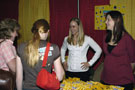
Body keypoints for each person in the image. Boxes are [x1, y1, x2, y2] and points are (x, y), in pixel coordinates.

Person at [17, 19, 65, 90]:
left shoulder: (21, 47)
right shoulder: (54, 48)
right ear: (48, 32)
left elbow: (19, 77)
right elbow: (60, 77)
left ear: (34, 32)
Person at [100, 10, 135, 90]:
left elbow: (133, 62)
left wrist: (123, 73)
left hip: (123, 82)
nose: (106, 22)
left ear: (117, 20)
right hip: (106, 79)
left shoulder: (127, 39)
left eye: (108, 19)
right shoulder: (105, 37)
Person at [61, 17, 102, 82]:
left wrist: (90, 63)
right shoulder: (66, 39)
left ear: (79, 27)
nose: (72, 29)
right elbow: (63, 49)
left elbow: (99, 50)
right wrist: (63, 61)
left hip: (83, 72)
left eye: (74, 26)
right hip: (69, 71)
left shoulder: (87, 39)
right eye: (70, 27)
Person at [0, 18, 23, 90]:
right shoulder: (6, 45)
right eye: (16, 31)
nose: (16, 34)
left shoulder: (3, 43)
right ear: (10, 31)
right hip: (8, 82)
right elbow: (14, 68)